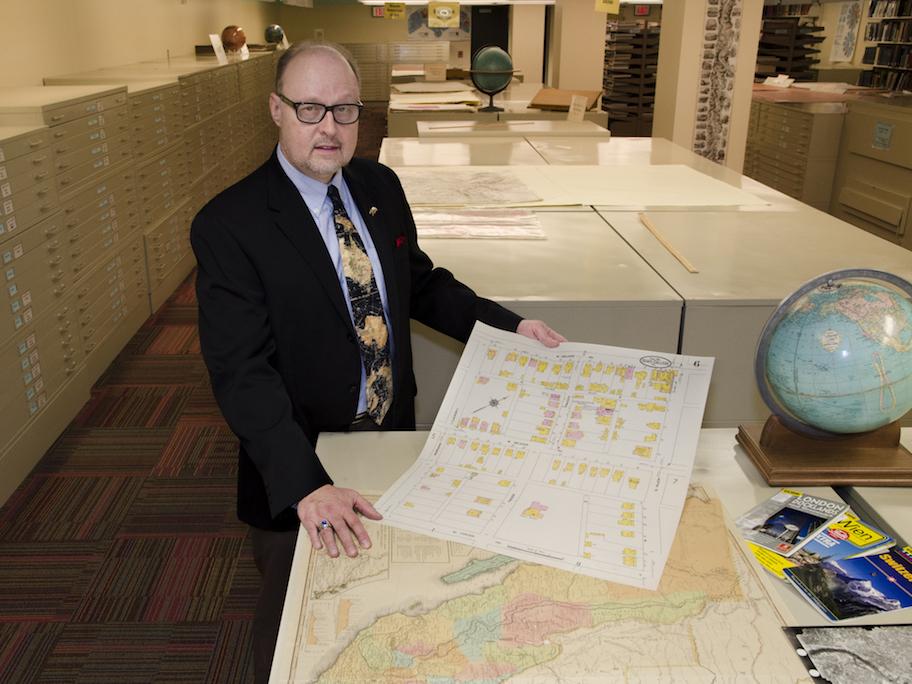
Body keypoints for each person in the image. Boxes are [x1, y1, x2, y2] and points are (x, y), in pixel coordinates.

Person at [190, 41, 565, 682]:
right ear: (276, 110)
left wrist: (510, 327)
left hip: (391, 442)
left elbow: (418, 283)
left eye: (344, 109)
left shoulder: (378, 186)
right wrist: (306, 481)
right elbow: (241, 371)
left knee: (382, 607)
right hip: (303, 461)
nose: (329, 128)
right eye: (310, 109)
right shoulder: (231, 224)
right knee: (294, 619)